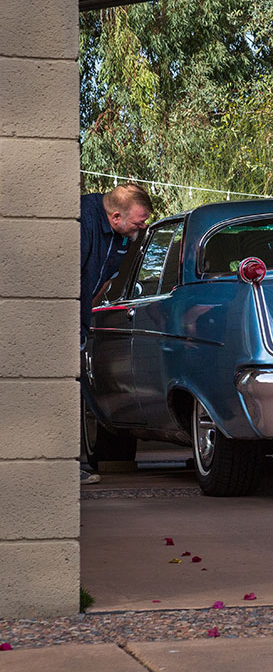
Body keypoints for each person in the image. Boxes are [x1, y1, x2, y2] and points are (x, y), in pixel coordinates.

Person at [79, 183, 153, 483]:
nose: (143, 225)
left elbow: (104, 282)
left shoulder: (124, 236)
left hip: (78, 319)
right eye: (139, 220)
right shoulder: (82, 221)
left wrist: (84, 317)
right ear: (115, 217)